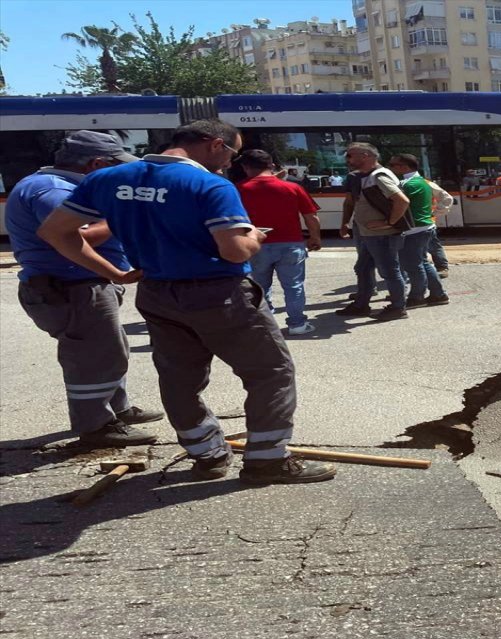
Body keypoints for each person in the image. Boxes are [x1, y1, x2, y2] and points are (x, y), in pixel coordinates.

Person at [38, 119, 337, 485]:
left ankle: (207, 454)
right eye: (232, 153)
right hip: (220, 293)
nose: (230, 162)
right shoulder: (209, 184)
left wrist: (112, 273)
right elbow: (233, 251)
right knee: (270, 372)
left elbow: (54, 231)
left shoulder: (107, 179)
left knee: (179, 379)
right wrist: (254, 238)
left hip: (157, 293)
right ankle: (267, 460)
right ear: (215, 144)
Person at [6, 130, 164, 448]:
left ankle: (116, 409)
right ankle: (96, 427)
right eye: (116, 167)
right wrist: (121, 220)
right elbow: (77, 235)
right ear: (96, 164)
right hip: (73, 287)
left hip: (78, 284)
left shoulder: (56, 185)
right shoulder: (53, 189)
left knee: (107, 350)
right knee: (92, 357)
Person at [236, 149, 323, 335]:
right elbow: (311, 216)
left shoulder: (238, 189)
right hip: (291, 244)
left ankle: (265, 323)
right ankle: (297, 324)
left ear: (245, 167)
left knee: (259, 287)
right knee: (293, 286)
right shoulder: (292, 187)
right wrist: (315, 237)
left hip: (255, 244)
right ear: (272, 165)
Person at [336, 142, 412, 321]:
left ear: (365, 156)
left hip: (382, 236)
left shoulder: (379, 176)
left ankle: (398, 308)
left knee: (389, 272)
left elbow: (402, 201)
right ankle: (361, 305)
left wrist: (388, 222)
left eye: (350, 155)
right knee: (363, 268)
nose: (347, 159)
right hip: (371, 235)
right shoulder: (366, 176)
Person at [386, 153, 450, 307]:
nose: (390, 168)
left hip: (414, 229)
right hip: (423, 227)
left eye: (393, 165)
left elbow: (399, 204)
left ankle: (417, 297)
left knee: (413, 266)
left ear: (404, 167)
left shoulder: (408, 185)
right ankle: (438, 294)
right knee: (422, 263)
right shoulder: (421, 182)